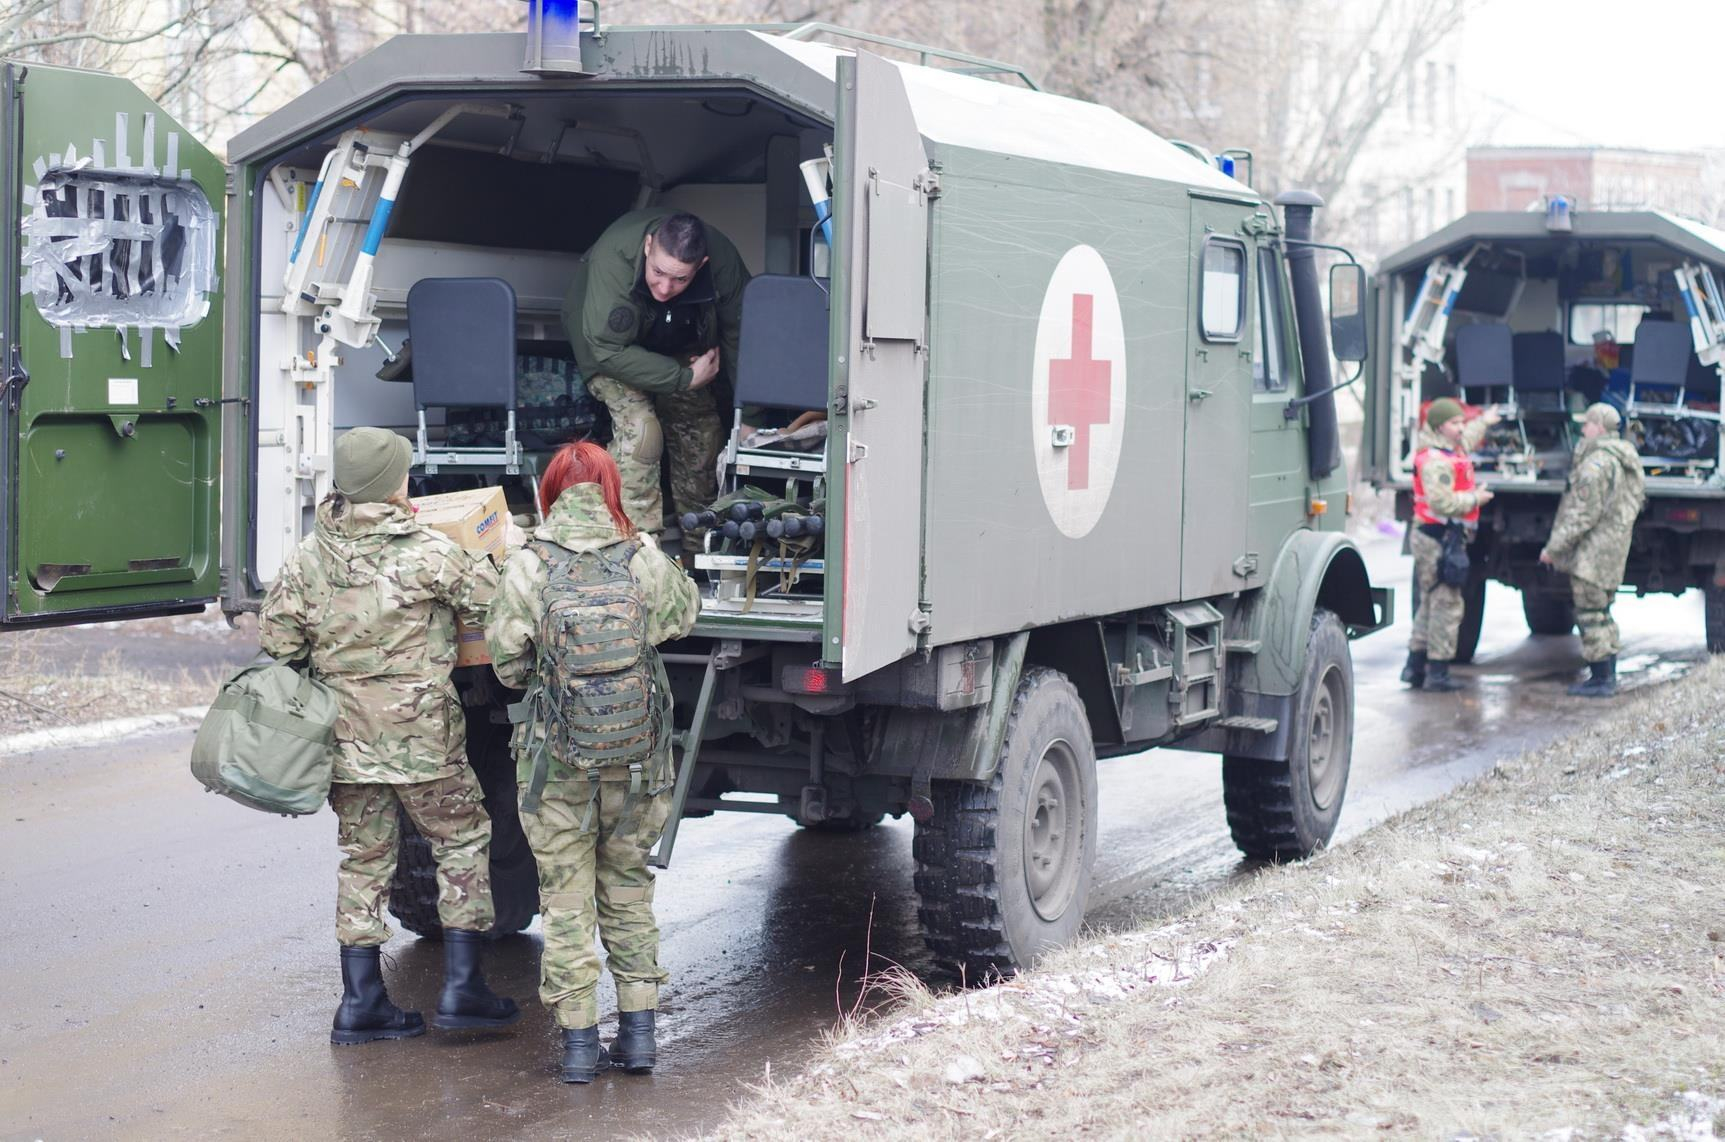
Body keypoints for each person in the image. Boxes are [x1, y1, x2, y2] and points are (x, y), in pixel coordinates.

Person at [259, 427, 521, 1045]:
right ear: (392, 483)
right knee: (460, 842)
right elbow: (493, 605)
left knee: (364, 859)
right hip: (423, 737)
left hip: (345, 742)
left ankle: (361, 1003)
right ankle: (462, 990)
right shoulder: (427, 551)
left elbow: (279, 644)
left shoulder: (305, 557)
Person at [486, 440, 700, 1083]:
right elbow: (681, 620)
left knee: (566, 901)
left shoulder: (528, 562)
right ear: (610, 489)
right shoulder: (642, 555)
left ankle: (579, 1047)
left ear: (551, 491)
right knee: (629, 892)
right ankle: (639, 1040)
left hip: (556, 766)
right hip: (637, 762)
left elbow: (506, 662)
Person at [561, 209, 750, 556]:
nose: (665, 288)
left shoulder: (722, 263)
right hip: (609, 350)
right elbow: (606, 347)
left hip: (678, 347)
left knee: (703, 434)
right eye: (659, 272)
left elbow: (743, 334)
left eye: (680, 279)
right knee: (642, 430)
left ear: (702, 263)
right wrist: (683, 378)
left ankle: (701, 554)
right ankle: (636, 554)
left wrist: (750, 414)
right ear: (648, 247)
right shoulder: (615, 257)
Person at [1540, 402, 1645, 697]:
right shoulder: (1624, 458)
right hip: (1613, 546)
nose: (1583, 429)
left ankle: (1600, 680)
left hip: (1593, 551)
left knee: (1589, 613)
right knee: (1602, 612)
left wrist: (1554, 548)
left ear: (1598, 427)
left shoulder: (1596, 465)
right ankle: (1606, 674)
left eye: (1586, 424)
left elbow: (1582, 515)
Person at [1402, 398, 1500, 692]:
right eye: (1455, 423)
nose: (1461, 428)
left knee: (1430, 603)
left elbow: (1468, 437)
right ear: (1439, 426)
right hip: (1438, 538)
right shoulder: (1436, 462)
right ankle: (1438, 674)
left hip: (1436, 536)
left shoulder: (1449, 448)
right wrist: (1475, 499)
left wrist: (1485, 419)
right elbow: (1441, 502)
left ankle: (1415, 667)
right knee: (1446, 604)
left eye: (1461, 423)